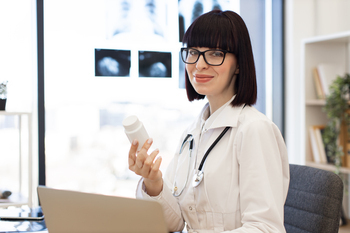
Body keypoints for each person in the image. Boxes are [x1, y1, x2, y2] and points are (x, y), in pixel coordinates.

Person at [128, 9, 290, 233]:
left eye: (215, 53)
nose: (199, 64)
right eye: (193, 52)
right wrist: (153, 182)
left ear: (239, 64)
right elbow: (176, 223)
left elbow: (265, 228)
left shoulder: (254, 130)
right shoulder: (192, 132)